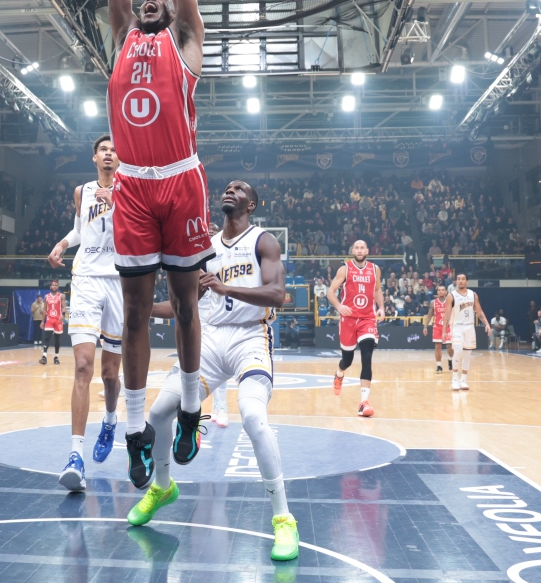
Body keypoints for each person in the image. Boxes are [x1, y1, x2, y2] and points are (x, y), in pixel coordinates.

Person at [104, 0, 213, 488]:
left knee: (186, 303)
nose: (149, 0)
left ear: (173, 14)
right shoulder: (121, 40)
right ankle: (136, 432)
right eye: (141, 1)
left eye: (158, 1)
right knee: (137, 314)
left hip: (181, 178)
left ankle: (194, 406)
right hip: (136, 188)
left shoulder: (188, 43)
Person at [132, 179, 297, 561]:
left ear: (252, 203)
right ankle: (162, 486)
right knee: (157, 413)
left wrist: (227, 289)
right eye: (227, 187)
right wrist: (139, 312)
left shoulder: (263, 241)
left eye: (240, 189)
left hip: (249, 339)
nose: (230, 190)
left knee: (254, 417)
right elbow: (182, 305)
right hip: (207, 341)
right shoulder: (203, 248)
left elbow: (278, 296)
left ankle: (283, 519)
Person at [46, 134, 124, 492]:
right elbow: (81, 231)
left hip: (120, 280)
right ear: (95, 157)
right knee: (82, 366)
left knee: (110, 375)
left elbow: (140, 232)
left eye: (113, 150)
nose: (109, 154)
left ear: (120, 158)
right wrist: (62, 243)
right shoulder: (82, 192)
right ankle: (75, 456)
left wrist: (118, 205)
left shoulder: (132, 188)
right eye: (103, 150)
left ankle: (110, 420)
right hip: (88, 278)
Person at [327, 240, 384, 416]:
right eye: (357, 248)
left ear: (367, 250)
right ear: (353, 251)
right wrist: (339, 306)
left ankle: (364, 403)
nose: (359, 250)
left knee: (367, 356)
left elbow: (377, 290)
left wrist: (381, 307)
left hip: (367, 318)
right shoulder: (345, 269)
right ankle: (339, 373)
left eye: (362, 248)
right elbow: (330, 292)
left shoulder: (375, 269)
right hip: (348, 319)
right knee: (348, 360)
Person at [445, 273, 490, 391]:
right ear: (456, 282)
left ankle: (463, 379)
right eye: (458, 279)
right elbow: (447, 314)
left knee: (467, 354)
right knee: (458, 350)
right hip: (457, 326)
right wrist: (444, 330)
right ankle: (454, 378)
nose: (460, 281)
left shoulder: (473, 295)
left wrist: (487, 324)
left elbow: (479, 312)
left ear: (467, 282)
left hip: (469, 327)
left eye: (463, 279)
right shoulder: (451, 296)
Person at [422, 284, 453, 374]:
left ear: (446, 292)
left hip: (448, 326)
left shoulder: (450, 301)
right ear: (437, 292)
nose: (441, 291)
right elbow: (429, 316)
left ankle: (450, 359)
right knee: (437, 346)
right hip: (437, 326)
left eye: (443, 290)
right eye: (439, 290)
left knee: (449, 346)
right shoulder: (433, 303)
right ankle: (439, 366)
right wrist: (425, 326)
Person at [38, 279, 66, 365]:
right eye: (53, 285)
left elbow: (64, 307)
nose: (54, 286)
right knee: (47, 338)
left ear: (58, 287)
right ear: (50, 286)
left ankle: (56, 357)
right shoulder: (46, 296)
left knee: (57, 339)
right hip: (49, 319)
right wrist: (43, 321)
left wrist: (63, 315)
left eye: (56, 285)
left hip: (58, 319)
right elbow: (45, 309)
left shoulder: (61, 296)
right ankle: (44, 356)